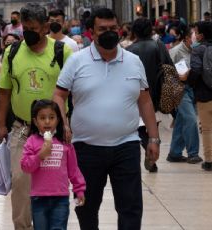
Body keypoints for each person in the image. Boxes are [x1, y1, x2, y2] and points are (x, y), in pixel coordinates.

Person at [53, 8, 159, 230]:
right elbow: (59, 95)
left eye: (113, 28)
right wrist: (62, 124)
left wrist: (153, 138)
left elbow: (145, 100)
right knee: (86, 206)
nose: (109, 33)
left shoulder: (133, 61)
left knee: (130, 207)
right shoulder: (76, 61)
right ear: (91, 32)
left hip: (126, 145)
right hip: (86, 147)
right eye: (103, 29)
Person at [0, 3, 72, 229]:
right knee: (20, 181)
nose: (29, 32)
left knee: (52, 183)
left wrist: (67, 125)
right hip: (22, 129)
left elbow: (72, 93)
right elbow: (3, 92)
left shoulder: (63, 52)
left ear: (46, 26)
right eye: (25, 28)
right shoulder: (13, 52)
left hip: (54, 131)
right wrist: (1, 125)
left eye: (34, 28)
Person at [20, 99, 86, 230]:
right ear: (35, 121)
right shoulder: (31, 142)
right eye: (42, 118)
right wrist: (40, 156)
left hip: (60, 198)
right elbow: (25, 166)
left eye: (51, 117)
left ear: (58, 120)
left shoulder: (65, 143)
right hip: (39, 198)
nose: (47, 121)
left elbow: (73, 170)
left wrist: (79, 189)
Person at [127, 18, 171, 173]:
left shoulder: (130, 50)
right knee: (154, 125)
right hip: (157, 93)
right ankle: (152, 150)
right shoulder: (159, 46)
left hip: (136, 94)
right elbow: (169, 68)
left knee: (139, 127)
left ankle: (149, 148)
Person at [167, 25, 203, 164]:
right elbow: (166, 71)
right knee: (190, 119)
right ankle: (193, 153)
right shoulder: (175, 52)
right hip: (179, 89)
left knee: (182, 122)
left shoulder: (197, 51)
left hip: (193, 89)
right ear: (187, 38)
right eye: (194, 37)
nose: (197, 40)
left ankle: (174, 153)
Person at [188, 21, 212, 171]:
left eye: (195, 32)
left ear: (201, 35)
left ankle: (209, 160)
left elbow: (196, 70)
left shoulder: (198, 50)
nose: (194, 35)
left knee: (207, 129)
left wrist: (189, 82)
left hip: (205, 95)